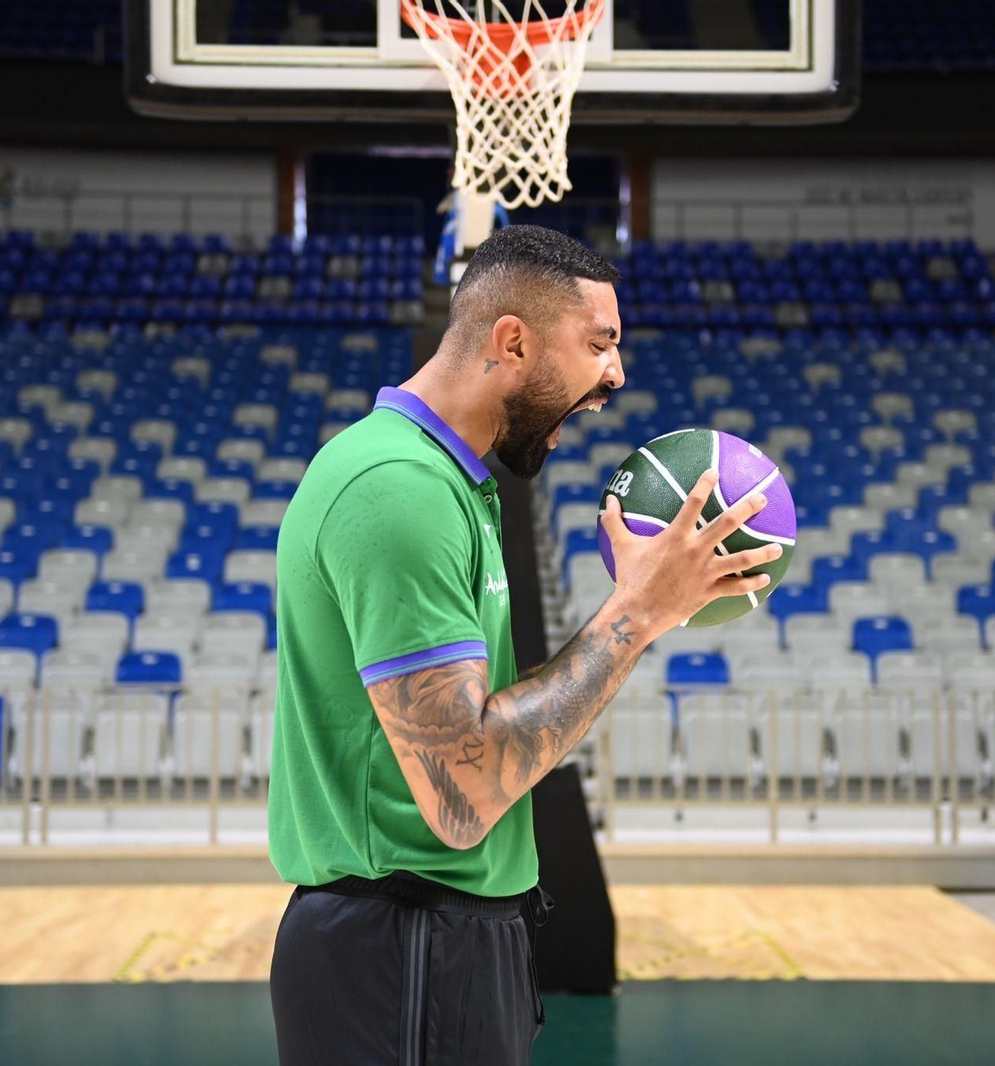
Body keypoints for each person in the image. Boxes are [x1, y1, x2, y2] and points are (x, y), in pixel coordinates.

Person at [267, 225, 779, 1065]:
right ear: (512, 340)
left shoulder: (450, 482)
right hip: (402, 950)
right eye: (600, 344)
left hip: (437, 942)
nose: (616, 374)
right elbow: (463, 789)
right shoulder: (398, 489)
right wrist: (636, 614)